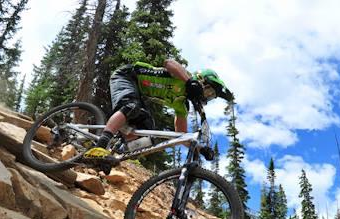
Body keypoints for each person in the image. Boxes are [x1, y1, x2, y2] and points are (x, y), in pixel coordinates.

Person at [83, 59, 234, 159]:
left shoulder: (182, 105)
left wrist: (199, 149)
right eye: (209, 92)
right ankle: (100, 146)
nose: (207, 97)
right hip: (127, 76)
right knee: (131, 106)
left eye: (211, 96)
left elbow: (180, 135)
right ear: (201, 81)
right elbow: (168, 63)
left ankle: (117, 154)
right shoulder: (182, 76)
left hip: (139, 92)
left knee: (147, 131)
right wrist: (190, 81)